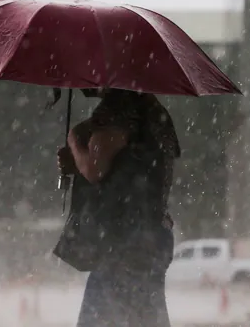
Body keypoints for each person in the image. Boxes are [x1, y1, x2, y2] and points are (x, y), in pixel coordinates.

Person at [57, 88, 181, 327]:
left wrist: (74, 141)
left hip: (123, 240)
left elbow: (94, 168)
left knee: (99, 319)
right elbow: (126, 168)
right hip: (154, 234)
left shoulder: (118, 107)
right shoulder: (154, 112)